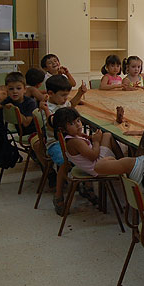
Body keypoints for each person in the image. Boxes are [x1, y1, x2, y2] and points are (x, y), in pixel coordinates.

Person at [33, 75, 87, 215]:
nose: (65, 98)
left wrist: (80, 93)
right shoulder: (47, 107)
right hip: (54, 143)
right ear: (50, 93)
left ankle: (85, 186)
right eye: (63, 95)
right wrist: (46, 111)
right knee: (64, 162)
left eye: (66, 95)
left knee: (87, 153)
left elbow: (71, 104)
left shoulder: (63, 104)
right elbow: (52, 127)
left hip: (70, 141)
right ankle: (58, 194)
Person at [52, 108, 124, 205]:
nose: (78, 124)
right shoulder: (75, 142)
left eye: (78, 120)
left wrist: (90, 139)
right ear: (63, 129)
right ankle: (123, 164)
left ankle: (122, 163)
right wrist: (96, 141)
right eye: (72, 124)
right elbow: (93, 156)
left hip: (94, 166)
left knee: (106, 136)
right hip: (98, 167)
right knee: (107, 136)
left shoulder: (73, 138)